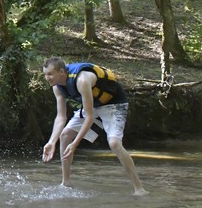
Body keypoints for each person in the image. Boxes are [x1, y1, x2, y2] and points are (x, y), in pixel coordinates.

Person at [41, 57, 147, 195]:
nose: (46, 78)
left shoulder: (82, 80)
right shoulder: (57, 87)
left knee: (114, 143)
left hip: (113, 104)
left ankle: (139, 189)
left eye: (49, 74)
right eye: (44, 74)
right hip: (94, 105)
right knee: (65, 135)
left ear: (61, 71)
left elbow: (89, 118)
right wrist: (51, 142)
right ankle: (65, 183)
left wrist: (74, 145)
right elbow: (61, 117)